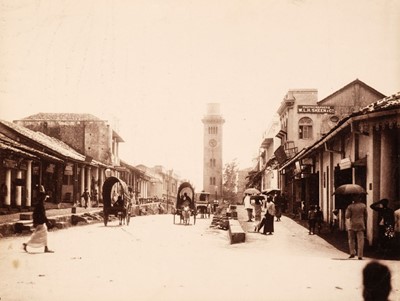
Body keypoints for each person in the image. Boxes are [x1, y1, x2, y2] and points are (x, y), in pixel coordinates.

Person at [345, 194, 368, 260]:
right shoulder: (363, 205)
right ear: (360, 198)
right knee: (360, 240)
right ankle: (360, 255)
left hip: (352, 224)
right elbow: (366, 215)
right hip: (360, 223)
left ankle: (352, 252)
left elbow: (347, 216)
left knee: (351, 239)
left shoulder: (350, 206)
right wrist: (364, 223)